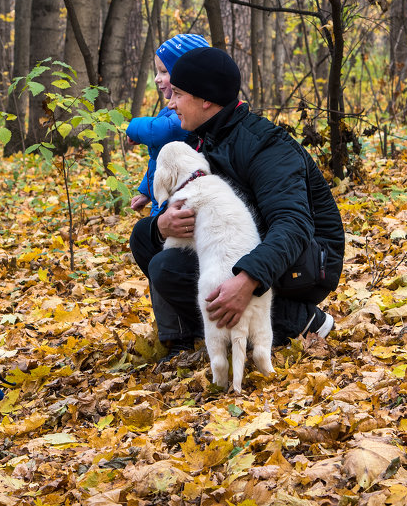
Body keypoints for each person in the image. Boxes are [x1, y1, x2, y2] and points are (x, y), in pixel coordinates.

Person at [129, 46, 345, 357]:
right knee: (146, 236)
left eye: (178, 93)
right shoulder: (208, 137)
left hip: (309, 260)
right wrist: (163, 225)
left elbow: (293, 225)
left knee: (168, 267)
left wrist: (247, 280)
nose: (170, 102)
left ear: (206, 99)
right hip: (247, 242)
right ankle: (185, 340)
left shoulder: (265, 146)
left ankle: (301, 320)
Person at [126, 33, 210, 214]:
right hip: (163, 193)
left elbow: (159, 131)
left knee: (161, 235)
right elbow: (158, 161)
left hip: (175, 199)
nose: (157, 78)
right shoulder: (172, 108)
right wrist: (147, 192)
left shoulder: (184, 114)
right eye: (157, 72)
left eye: (164, 72)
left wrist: (132, 127)